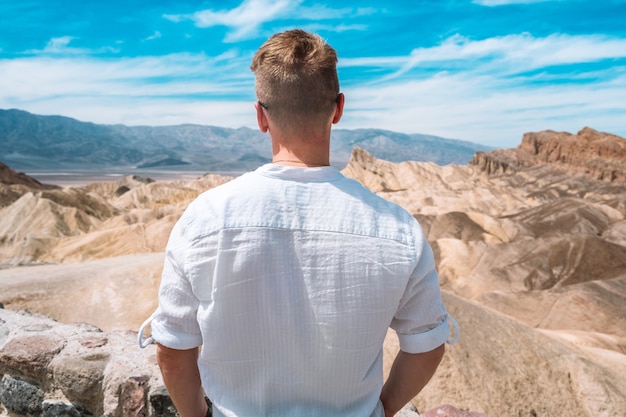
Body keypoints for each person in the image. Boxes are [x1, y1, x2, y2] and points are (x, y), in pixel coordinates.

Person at [139, 29, 458, 417]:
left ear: (260, 116)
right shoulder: (398, 229)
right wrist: (380, 410)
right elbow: (426, 346)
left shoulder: (206, 217)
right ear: (338, 109)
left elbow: (172, 349)